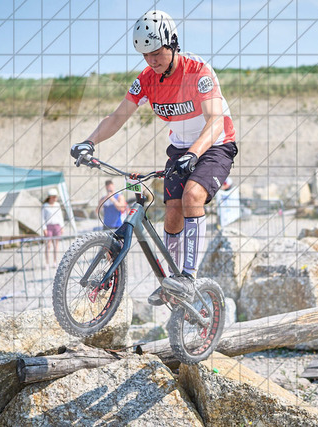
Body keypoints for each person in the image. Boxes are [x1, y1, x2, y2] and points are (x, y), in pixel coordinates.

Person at [70, 10, 237, 305]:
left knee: (192, 196)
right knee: (172, 212)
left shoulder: (199, 71)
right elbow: (117, 117)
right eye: (145, 55)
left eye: (157, 53)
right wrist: (88, 142)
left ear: (173, 43)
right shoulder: (147, 79)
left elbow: (215, 121)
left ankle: (188, 278)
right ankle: (171, 281)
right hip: (180, 149)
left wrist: (194, 153)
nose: (151, 60)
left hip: (215, 143)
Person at [42, 188, 64, 266]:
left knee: (56, 245)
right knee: (48, 245)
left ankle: (55, 261)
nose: (55, 198)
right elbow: (42, 218)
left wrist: (62, 226)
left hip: (57, 226)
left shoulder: (57, 205)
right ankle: (47, 262)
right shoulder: (45, 206)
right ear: (50, 197)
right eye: (54, 196)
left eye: (56, 196)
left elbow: (60, 216)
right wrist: (44, 228)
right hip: (48, 227)